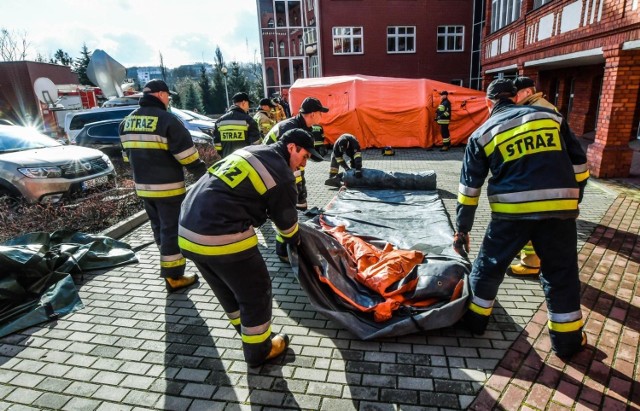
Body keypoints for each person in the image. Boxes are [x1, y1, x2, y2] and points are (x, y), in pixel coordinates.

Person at [454, 78, 590, 359]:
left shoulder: (483, 133)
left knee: (489, 266)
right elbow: (580, 163)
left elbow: (469, 190)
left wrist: (462, 229)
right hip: (559, 211)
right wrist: (573, 198)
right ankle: (567, 343)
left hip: (511, 214)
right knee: (561, 274)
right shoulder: (551, 117)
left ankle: (476, 322)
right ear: (516, 98)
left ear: (488, 103)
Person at [178, 129, 324, 367]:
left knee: (228, 289)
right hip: (221, 233)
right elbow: (287, 227)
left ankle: (250, 334)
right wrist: (303, 244)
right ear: (291, 148)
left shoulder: (253, 151)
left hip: (187, 230)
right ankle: (259, 350)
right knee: (257, 291)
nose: (304, 164)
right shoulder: (283, 175)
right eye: (305, 156)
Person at [119, 79, 206, 292]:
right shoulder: (167, 120)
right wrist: (205, 176)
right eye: (168, 95)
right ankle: (174, 276)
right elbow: (188, 157)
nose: (169, 100)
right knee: (171, 231)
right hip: (169, 189)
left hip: (143, 189)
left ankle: (168, 265)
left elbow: (126, 158)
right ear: (160, 95)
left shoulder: (126, 123)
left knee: (159, 228)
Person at [507, 76, 560, 276]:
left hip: (538, 177)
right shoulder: (541, 106)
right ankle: (526, 257)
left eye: (516, 94)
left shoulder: (538, 110)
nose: (513, 98)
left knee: (531, 221)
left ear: (527, 92)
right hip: (541, 175)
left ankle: (530, 265)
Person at [213, 92, 261, 158]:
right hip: (244, 161)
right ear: (244, 103)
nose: (248, 107)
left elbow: (217, 144)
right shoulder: (249, 121)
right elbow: (255, 144)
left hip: (226, 160)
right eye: (248, 104)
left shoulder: (219, 121)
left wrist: (223, 155)